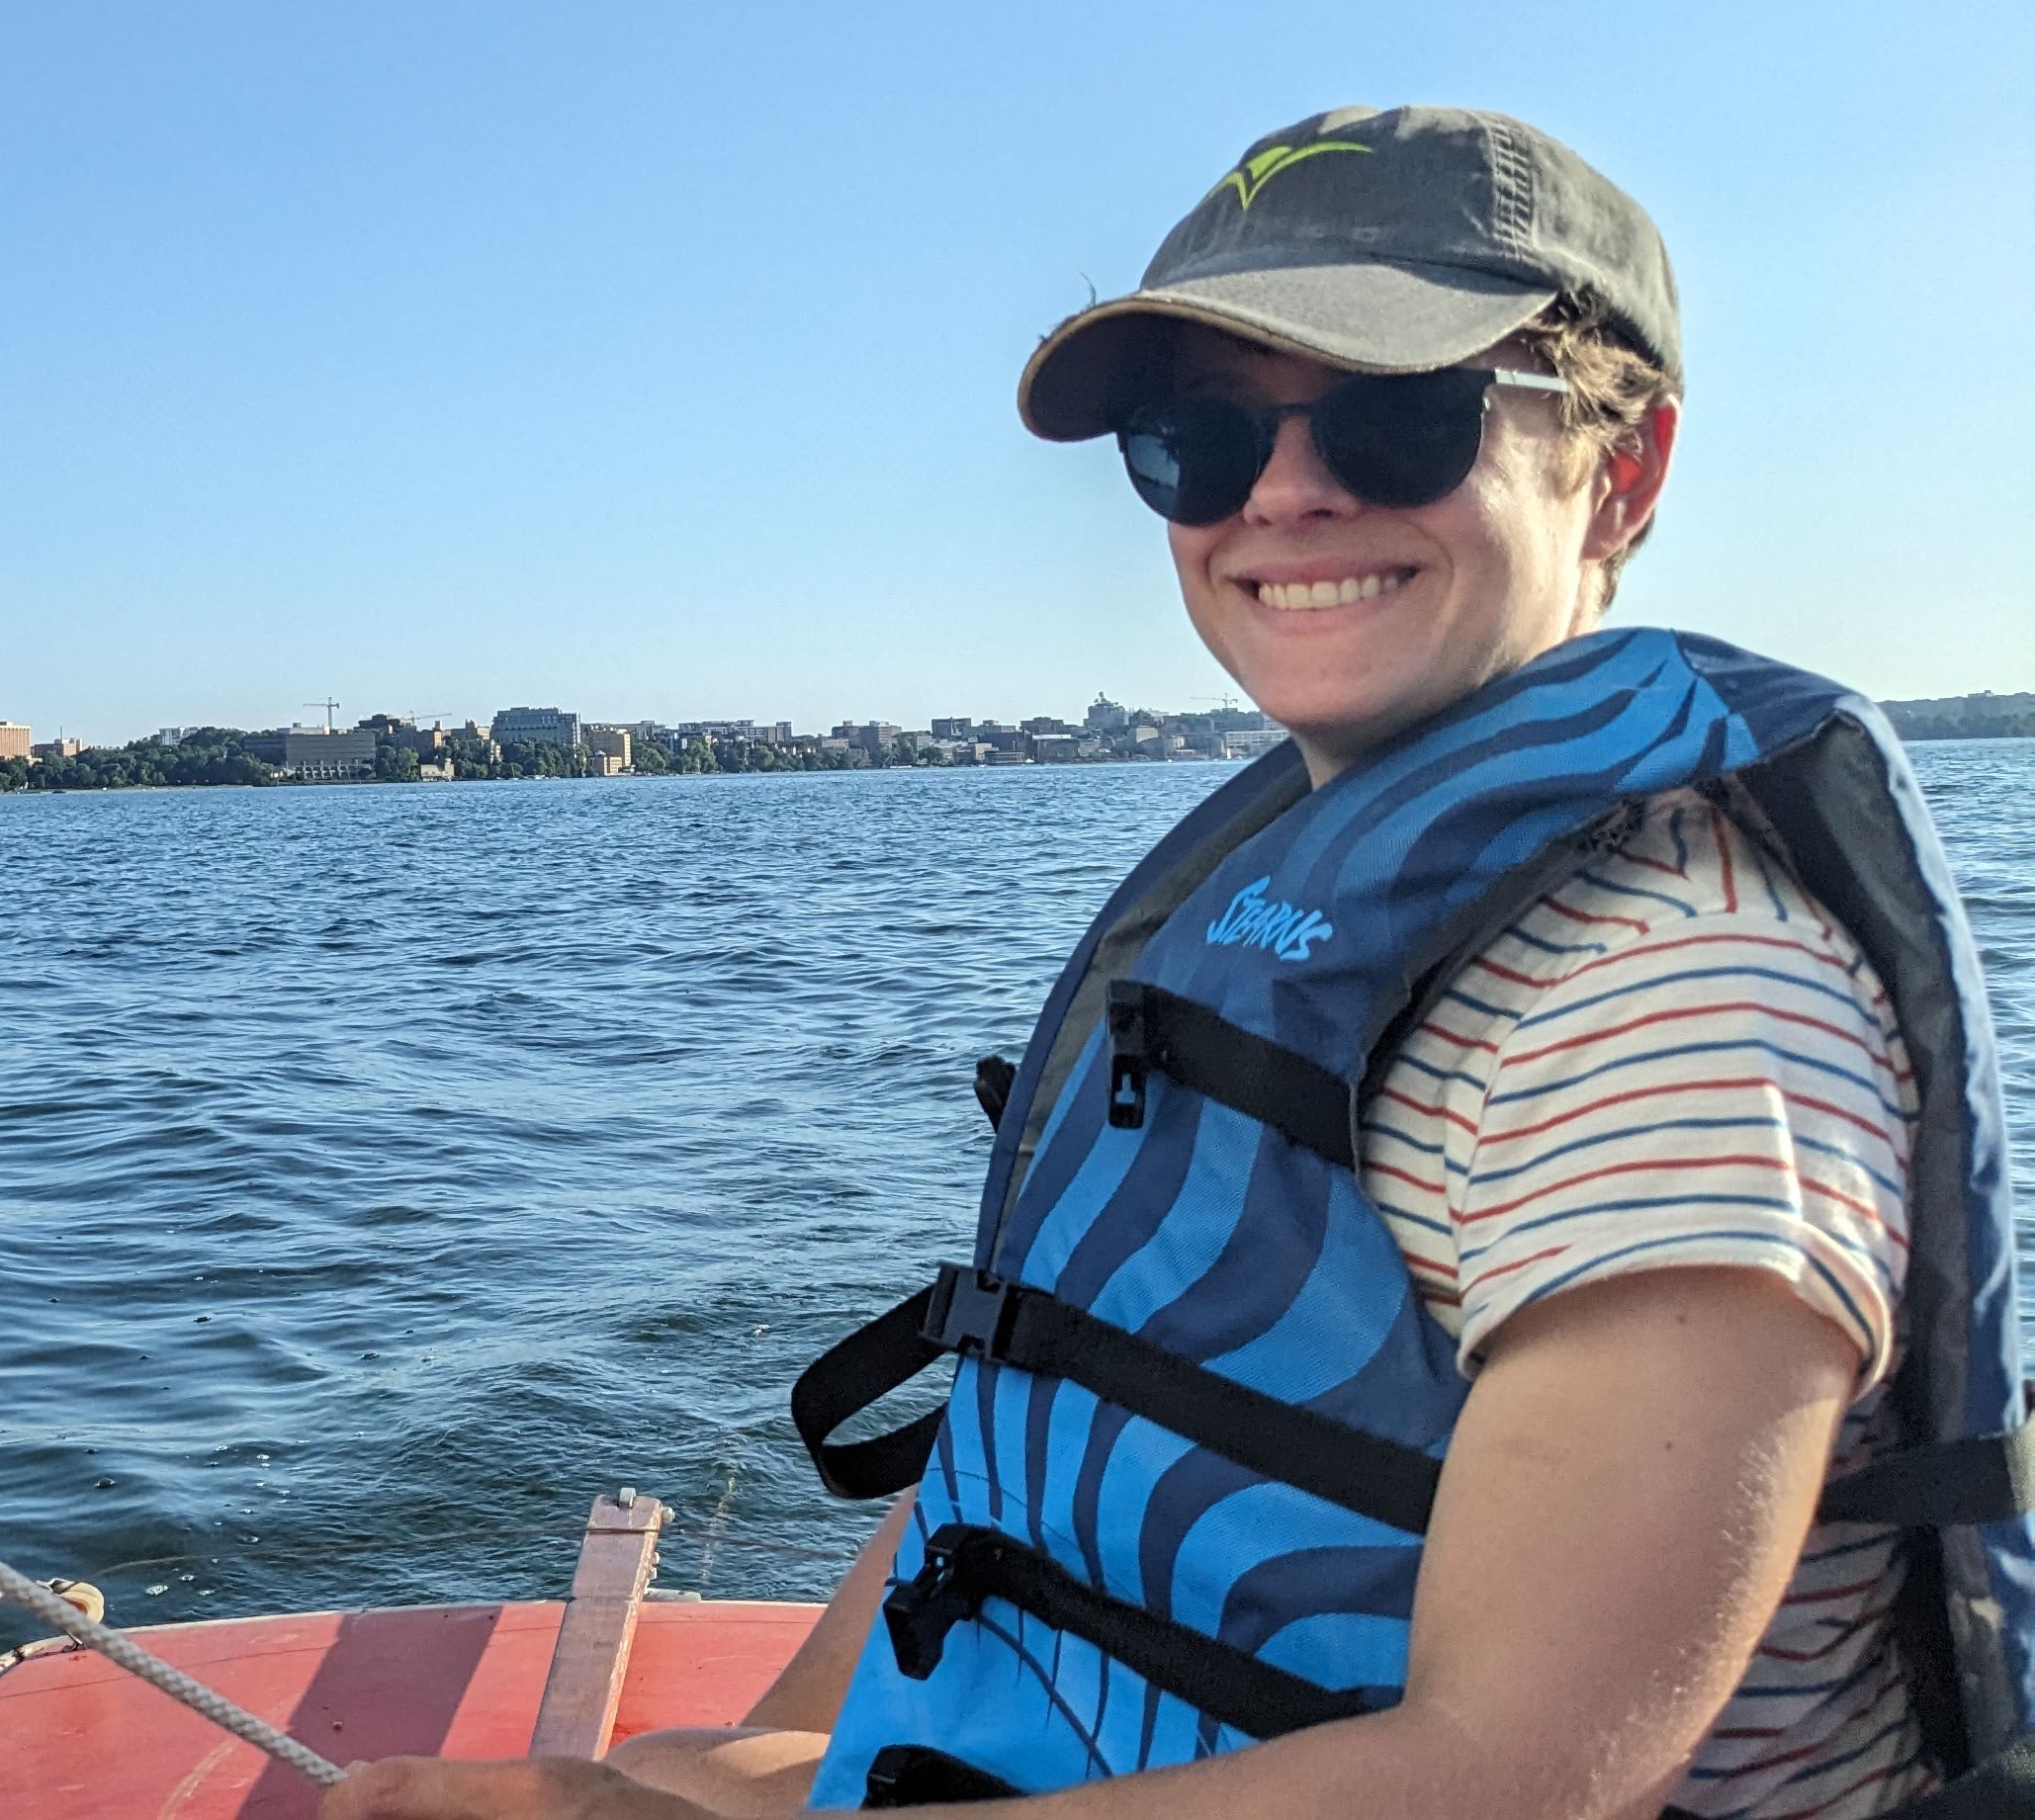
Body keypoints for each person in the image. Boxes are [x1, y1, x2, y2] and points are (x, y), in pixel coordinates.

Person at [322, 107, 2033, 1820]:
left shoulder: (1667, 1001)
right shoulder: (1311, 882)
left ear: (1624, 470)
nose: (1285, 492)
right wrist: (775, 1761)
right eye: (1195, 436)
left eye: (1396, 412)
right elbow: (1026, 1442)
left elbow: (1510, 1774)